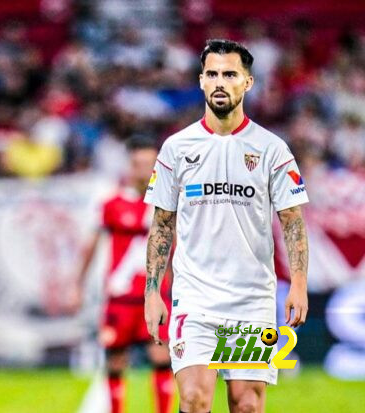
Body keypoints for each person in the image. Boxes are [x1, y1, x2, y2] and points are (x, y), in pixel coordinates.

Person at [144, 39, 309, 413]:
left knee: (247, 403)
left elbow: (293, 222)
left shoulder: (272, 149)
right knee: (193, 399)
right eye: (213, 74)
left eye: (230, 74)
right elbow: (161, 226)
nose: (220, 82)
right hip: (194, 299)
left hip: (252, 300)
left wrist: (298, 284)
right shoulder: (175, 148)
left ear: (247, 83)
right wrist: (152, 291)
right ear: (201, 81)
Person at [73, 136, 174, 413]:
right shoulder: (111, 202)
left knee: (161, 356)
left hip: (156, 297)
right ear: (129, 165)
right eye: (138, 164)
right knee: (116, 360)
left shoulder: (168, 203)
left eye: (149, 164)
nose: (144, 170)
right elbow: (91, 246)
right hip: (120, 297)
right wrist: (77, 284)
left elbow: (176, 250)